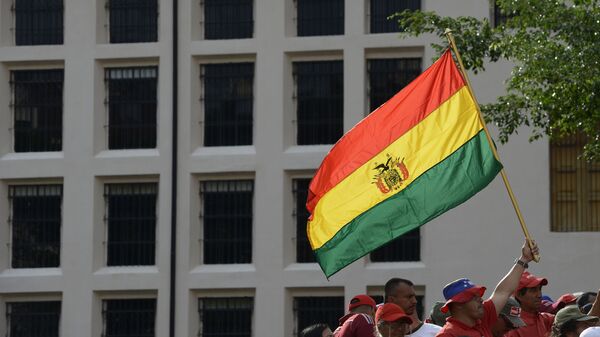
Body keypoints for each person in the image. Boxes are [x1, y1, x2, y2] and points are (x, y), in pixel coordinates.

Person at [435, 240, 539, 337]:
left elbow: (503, 292)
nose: (481, 299)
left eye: (478, 296)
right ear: (458, 305)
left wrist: (524, 259)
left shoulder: (482, 319)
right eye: (474, 297)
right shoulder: (447, 335)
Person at [505, 271, 553, 337]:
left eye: (540, 289)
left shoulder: (546, 319)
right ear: (519, 295)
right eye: (533, 290)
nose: (539, 295)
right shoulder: (510, 325)